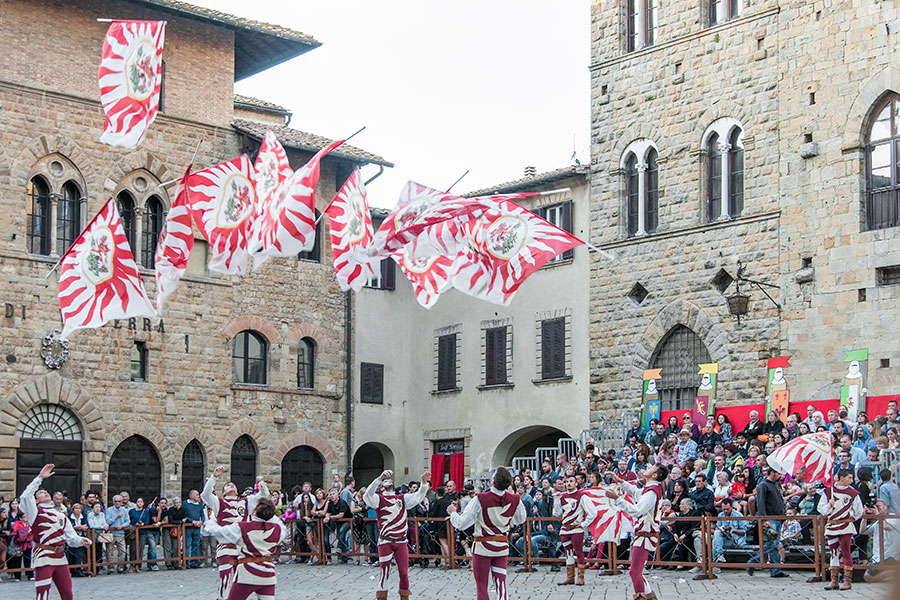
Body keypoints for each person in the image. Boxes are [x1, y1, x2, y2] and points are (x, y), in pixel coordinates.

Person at [447, 466, 526, 600]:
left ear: (493, 481)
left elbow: (462, 523)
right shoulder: (515, 499)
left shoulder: (481, 498)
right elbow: (521, 519)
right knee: (501, 586)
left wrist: (453, 513)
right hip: (502, 545)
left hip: (483, 546)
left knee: (482, 587)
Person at [21, 463, 92, 600]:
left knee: (67, 594)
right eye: (41, 492)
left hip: (60, 557)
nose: (45, 492)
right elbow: (25, 497)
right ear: (36, 500)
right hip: (43, 556)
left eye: (45, 491)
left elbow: (71, 537)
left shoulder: (61, 515)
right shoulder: (35, 512)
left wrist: (82, 541)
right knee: (43, 595)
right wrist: (40, 478)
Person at [202, 466, 270, 599]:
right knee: (225, 578)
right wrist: (214, 477)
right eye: (227, 485)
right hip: (226, 545)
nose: (231, 486)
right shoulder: (219, 503)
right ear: (223, 492)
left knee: (242, 579)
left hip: (241, 547)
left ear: (237, 490)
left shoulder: (246, 501)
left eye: (233, 485)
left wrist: (263, 486)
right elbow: (205, 495)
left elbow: (264, 497)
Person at [362, 469, 430, 600]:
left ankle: (404, 597)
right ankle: (382, 597)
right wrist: (379, 478)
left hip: (401, 541)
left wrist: (423, 482)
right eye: (385, 481)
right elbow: (367, 495)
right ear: (381, 487)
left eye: (389, 480)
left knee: (404, 573)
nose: (388, 481)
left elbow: (418, 497)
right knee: (384, 573)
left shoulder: (402, 498)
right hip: (385, 541)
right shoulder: (378, 500)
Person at [606, 463, 668, 600]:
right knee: (637, 571)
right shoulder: (651, 488)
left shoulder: (652, 491)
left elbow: (637, 510)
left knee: (635, 571)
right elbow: (635, 492)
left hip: (646, 535)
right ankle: (650, 596)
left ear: (655, 475)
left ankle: (641, 596)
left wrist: (617, 499)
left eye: (651, 468)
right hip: (644, 534)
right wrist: (619, 480)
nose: (647, 469)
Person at [202, 498, 285, 600]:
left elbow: (221, 532)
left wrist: (210, 524)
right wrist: (271, 514)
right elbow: (280, 524)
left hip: (247, 574)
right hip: (268, 575)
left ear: (254, 512)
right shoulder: (277, 529)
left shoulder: (242, 527)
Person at [818, 468, 864, 590]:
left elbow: (859, 510)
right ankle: (834, 580)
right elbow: (821, 509)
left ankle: (847, 581)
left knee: (846, 552)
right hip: (832, 526)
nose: (851, 480)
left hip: (846, 526)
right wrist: (829, 505)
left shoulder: (853, 493)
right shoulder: (828, 492)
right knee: (833, 553)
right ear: (841, 478)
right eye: (849, 477)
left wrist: (850, 518)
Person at [551, 474, 597, 586]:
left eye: (571, 481)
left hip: (576, 529)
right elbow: (556, 513)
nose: (568, 484)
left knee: (579, 552)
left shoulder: (582, 496)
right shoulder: (562, 497)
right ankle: (570, 577)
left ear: (576, 483)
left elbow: (593, 512)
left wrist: (584, 524)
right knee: (568, 552)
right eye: (566, 482)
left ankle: (580, 577)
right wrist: (556, 500)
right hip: (565, 529)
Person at [748, 468, 788, 578]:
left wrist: (783, 519)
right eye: (778, 473)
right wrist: (764, 519)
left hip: (778, 518)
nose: (780, 476)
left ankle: (775, 569)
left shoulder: (776, 484)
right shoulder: (763, 485)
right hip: (770, 519)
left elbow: (780, 501)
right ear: (772, 474)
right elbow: (760, 503)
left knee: (774, 545)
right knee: (773, 543)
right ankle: (754, 561)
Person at [104, 494, 129, 573]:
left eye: (119, 501)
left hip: (120, 534)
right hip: (111, 534)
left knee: (122, 551)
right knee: (109, 552)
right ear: (113, 502)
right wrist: (115, 517)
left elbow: (128, 521)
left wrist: (122, 526)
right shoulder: (109, 510)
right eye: (116, 501)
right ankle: (110, 568)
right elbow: (107, 521)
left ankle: (120, 567)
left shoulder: (124, 510)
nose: (117, 503)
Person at [183, 489, 206, 568]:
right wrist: (192, 521)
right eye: (196, 495)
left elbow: (202, 515)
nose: (198, 496)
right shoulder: (185, 504)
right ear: (192, 496)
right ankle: (186, 562)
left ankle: (194, 562)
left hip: (197, 528)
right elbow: (184, 515)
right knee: (187, 544)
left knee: (195, 544)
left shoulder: (199, 505)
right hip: (188, 527)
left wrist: (201, 522)